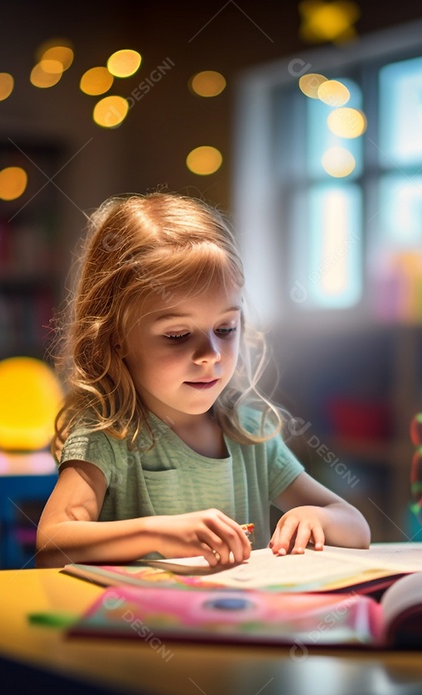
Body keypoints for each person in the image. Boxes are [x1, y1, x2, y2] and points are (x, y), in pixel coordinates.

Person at [36, 192, 370, 568]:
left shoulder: (249, 433)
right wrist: (157, 532)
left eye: (226, 328)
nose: (211, 354)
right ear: (116, 336)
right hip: (136, 624)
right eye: (178, 335)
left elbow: (355, 526)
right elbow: (52, 542)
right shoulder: (105, 434)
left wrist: (317, 518)